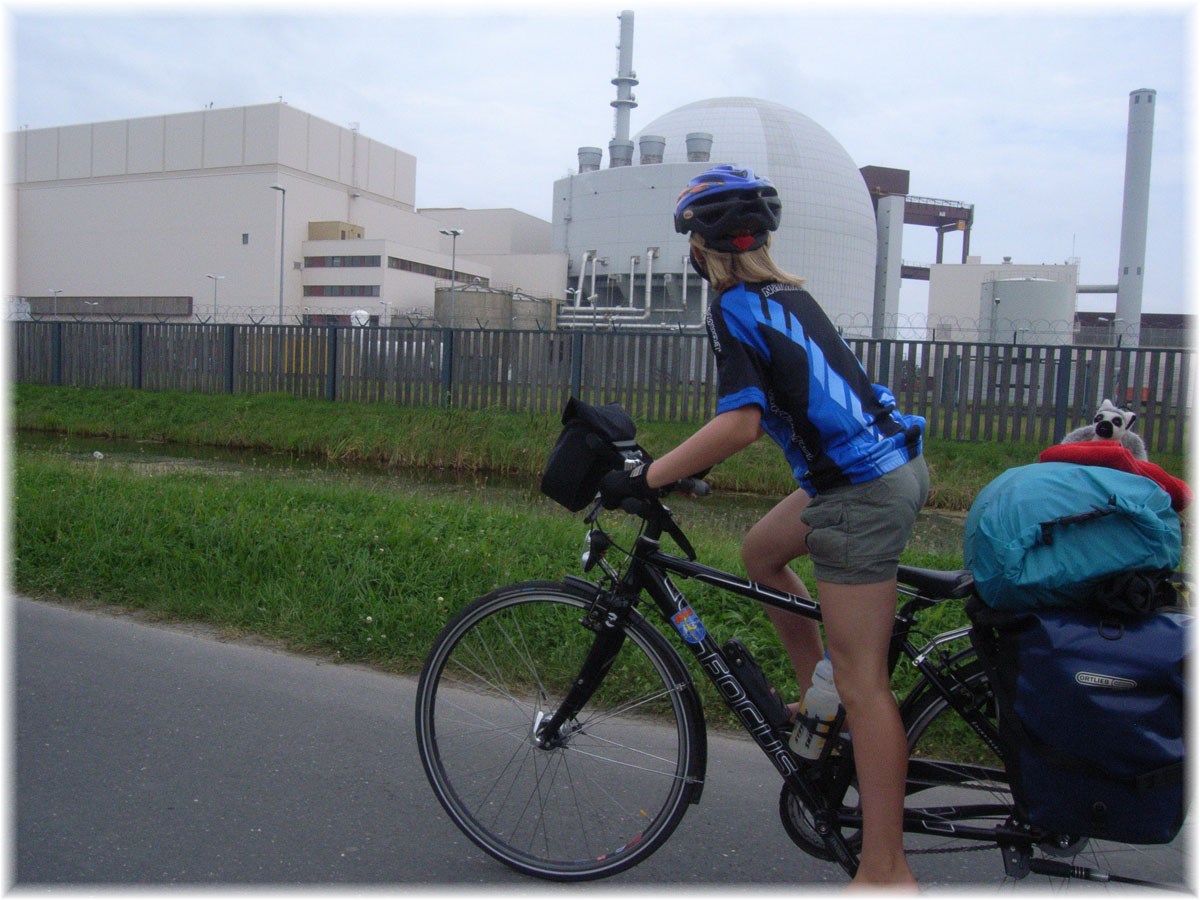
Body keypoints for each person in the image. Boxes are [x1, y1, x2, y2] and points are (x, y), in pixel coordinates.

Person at [600, 165, 929, 888]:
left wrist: (645, 478)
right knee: (762, 552)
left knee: (866, 682)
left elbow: (740, 424)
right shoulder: (789, 292)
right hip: (880, 466)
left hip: (859, 491)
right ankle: (821, 696)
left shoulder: (732, 306)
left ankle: (885, 869)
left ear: (699, 248)